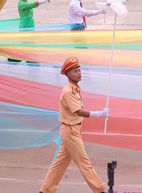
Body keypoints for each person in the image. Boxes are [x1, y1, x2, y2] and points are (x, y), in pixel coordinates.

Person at [39, 57, 109, 193]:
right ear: (68, 74)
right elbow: (78, 111)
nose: (79, 73)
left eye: (79, 70)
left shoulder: (75, 89)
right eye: (76, 71)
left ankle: (46, 190)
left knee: (59, 164)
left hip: (73, 129)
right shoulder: (68, 91)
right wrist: (99, 114)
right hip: (70, 130)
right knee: (84, 162)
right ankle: (99, 190)